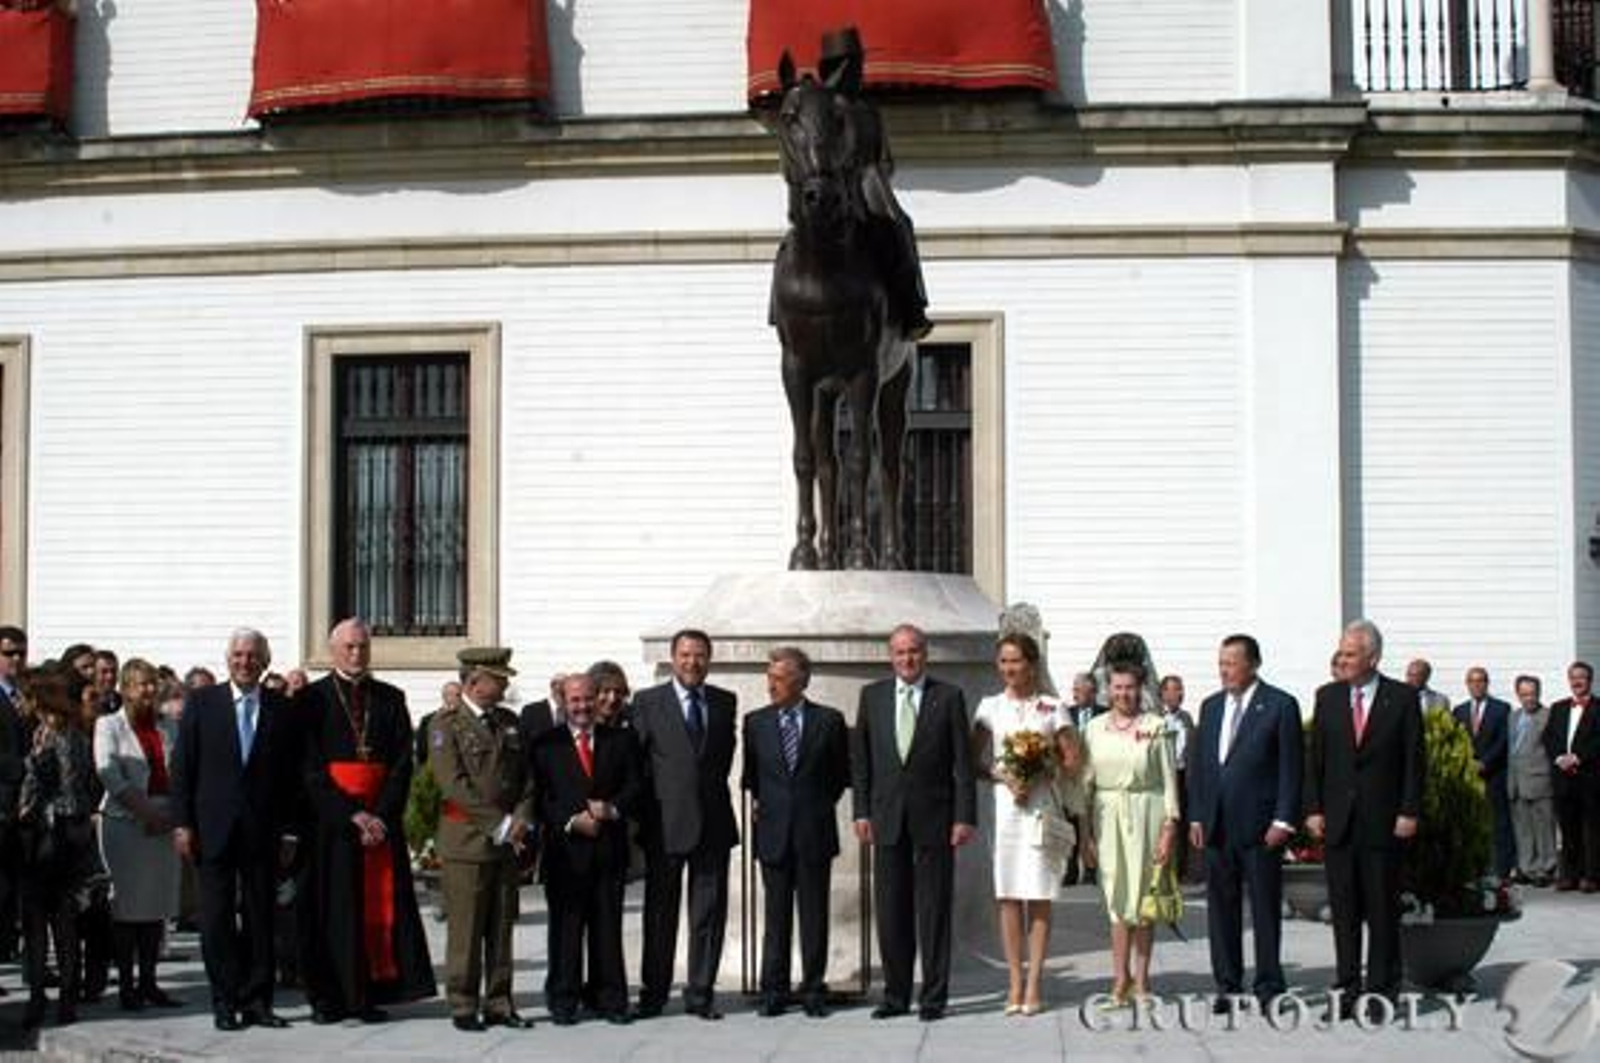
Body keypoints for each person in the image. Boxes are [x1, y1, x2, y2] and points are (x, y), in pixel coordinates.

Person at [299, 618, 435, 1023]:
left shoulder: (391, 698)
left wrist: (379, 814)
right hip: (332, 826)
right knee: (332, 911)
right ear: (333, 650)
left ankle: (367, 996)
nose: (357, 654)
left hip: (379, 821)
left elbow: (400, 765)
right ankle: (330, 999)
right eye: (349, 647)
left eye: (362, 647)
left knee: (375, 911)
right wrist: (350, 814)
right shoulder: (312, 700)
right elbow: (309, 769)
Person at [170, 628, 295, 1031]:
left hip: (263, 831)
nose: (245, 662)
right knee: (217, 919)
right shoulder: (203, 704)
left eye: (253, 655)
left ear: (265, 661)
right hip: (213, 829)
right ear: (229, 660)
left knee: (261, 918)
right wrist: (182, 823)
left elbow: (290, 776)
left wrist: (291, 832)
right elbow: (183, 768)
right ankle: (224, 1001)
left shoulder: (281, 708)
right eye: (238, 655)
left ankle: (258, 1001)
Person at [852, 623, 977, 1022]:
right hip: (886, 819)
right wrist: (861, 811)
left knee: (934, 911)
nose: (908, 659)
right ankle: (895, 994)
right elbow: (862, 763)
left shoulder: (949, 697)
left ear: (925, 654)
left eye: (915, 651)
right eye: (900, 652)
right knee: (891, 911)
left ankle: (934, 997)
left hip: (936, 820)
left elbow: (963, 765)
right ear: (891, 656)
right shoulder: (871, 697)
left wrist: (964, 817)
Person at [1305, 618, 1424, 1020]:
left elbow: (1414, 761)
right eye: (1341, 652)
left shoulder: (1403, 698)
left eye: (1351, 653)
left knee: (1381, 911)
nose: (1343, 658)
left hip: (1384, 821)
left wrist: (1409, 810)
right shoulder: (1329, 697)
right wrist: (1314, 809)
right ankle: (1346, 989)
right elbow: (1316, 760)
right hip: (1339, 822)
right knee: (1344, 913)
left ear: (1373, 658)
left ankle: (1381, 993)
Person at [1187, 634, 1302, 1012]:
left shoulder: (1280, 706)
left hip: (1261, 828)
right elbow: (1202, 766)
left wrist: (1284, 819)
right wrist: (1198, 815)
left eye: (1231, 663)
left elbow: (1291, 769)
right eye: (1220, 663)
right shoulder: (1211, 706)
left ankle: (1268, 983)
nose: (1224, 670)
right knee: (1221, 909)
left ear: (1253, 664)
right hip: (1217, 826)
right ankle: (1228, 984)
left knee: (1265, 909)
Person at [632, 629, 738, 1021]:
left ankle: (700, 993)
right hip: (665, 823)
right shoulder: (647, 703)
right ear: (673, 658)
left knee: (708, 913)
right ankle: (655, 992)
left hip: (712, 823)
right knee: (660, 913)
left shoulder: (725, 702)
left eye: (700, 656)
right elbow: (640, 765)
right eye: (685, 655)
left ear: (709, 659)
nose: (692, 662)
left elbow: (722, 760)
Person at [971, 633, 1077, 1016]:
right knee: (1009, 894)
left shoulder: (1052, 708)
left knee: (1039, 894)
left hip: (1040, 809)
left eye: (1016, 661)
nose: (1010, 669)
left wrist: (1043, 769)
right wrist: (1004, 776)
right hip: (1006, 810)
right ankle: (1014, 979)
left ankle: (1035, 982)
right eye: (1003, 661)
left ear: (1032, 664)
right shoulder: (989, 707)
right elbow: (973, 762)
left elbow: (1072, 760)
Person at [429, 647, 534, 1032]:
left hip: (506, 841)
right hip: (466, 840)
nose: (505, 684)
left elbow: (525, 778)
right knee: (467, 928)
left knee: (502, 925)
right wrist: (500, 824)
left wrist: (521, 819)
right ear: (474, 681)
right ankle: (462, 1002)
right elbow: (453, 785)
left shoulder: (509, 722)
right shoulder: (446, 725)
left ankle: (500, 1002)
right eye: (498, 678)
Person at [529, 673, 643, 1026]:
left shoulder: (621, 740)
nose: (582, 706)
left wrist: (612, 809)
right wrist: (570, 819)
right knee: (566, 929)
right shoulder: (545, 743)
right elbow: (539, 796)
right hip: (566, 852)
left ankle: (610, 999)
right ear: (563, 701)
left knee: (607, 927)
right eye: (575, 700)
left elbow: (636, 785)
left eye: (588, 699)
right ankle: (564, 999)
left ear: (598, 700)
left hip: (608, 848)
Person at [742, 647, 849, 1019]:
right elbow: (752, 778)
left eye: (780, 678)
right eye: (769, 677)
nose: (771, 685)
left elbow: (839, 777)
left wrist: (811, 806)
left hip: (814, 832)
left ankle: (813, 987)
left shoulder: (829, 721)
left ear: (802, 681)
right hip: (772, 833)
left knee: (813, 915)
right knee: (775, 917)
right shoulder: (755, 722)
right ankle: (774, 988)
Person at [808, 28, 931, 340]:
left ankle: (911, 305)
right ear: (843, 67)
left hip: (869, 179)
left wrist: (876, 172)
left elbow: (885, 156)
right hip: (831, 183)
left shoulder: (867, 111)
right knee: (796, 238)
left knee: (900, 224)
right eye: (858, 65)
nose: (862, 72)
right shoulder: (820, 109)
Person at [1082, 661, 1181, 1006]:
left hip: (1147, 813)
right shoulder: (1093, 728)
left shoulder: (1156, 727)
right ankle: (1119, 978)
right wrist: (1085, 836)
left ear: (1140, 689)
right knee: (1116, 899)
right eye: (1117, 687)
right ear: (1108, 689)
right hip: (1107, 815)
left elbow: (1170, 782)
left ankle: (1142, 980)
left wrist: (1169, 829)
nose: (1123, 693)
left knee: (1143, 901)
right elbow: (1086, 785)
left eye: (1129, 687)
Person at [93, 658, 182, 1011]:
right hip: (126, 824)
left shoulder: (168, 726)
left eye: (152, 684)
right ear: (126, 688)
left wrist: (170, 815)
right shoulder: (109, 725)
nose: (149, 690)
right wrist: (146, 812)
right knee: (127, 909)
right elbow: (110, 775)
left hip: (163, 821)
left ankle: (150, 981)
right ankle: (127, 986)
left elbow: (181, 772)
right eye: (141, 684)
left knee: (155, 908)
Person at [16, 668, 99, 1028]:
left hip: (48, 834)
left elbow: (37, 787)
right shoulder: (78, 735)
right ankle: (68, 997)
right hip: (75, 831)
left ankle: (38, 999)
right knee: (66, 922)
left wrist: (23, 809)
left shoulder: (46, 735)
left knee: (37, 923)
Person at [1545, 661, 1599, 891]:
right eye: (1573, 677)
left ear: (1590, 680)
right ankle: (1569, 875)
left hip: (1590, 779)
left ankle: (1592, 877)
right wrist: (1559, 757)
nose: (1577, 681)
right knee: (1568, 830)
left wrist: (1578, 757)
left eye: (1582, 677)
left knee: (1592, 831)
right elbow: (1549, 737)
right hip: (1563, 780)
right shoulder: (1558, 707)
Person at [1454, 667, 1513, 878]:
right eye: (1472, 681)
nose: (1476, 685)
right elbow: (1457, 741)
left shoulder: (1502, 708)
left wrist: (1485, 763)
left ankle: (1502, 868)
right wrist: (1467, 763)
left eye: (1480, 681)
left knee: (1499, 823)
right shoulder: (1459, 711)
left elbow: (1503, 741)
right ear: (1467, 684)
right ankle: (1473, 867)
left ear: (1487, 683)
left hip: (1494, 774)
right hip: (1469, 777)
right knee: (1472, 823)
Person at [1507, 675, 1557, 886]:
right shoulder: (1513, 716)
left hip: (1540, 781)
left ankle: (1546, 868)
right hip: (1516, 782)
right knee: (1523, 829)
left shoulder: (1549, 716)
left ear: (1539, 693)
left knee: (1544, 828)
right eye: (1524, 694)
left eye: (1532, 694)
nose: (1529, 698)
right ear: (1518, 694)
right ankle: (1526, 868)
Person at [0, 625, 29, 981]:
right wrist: (24, 766)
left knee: (17, 895)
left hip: (25, 808)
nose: (17, 659)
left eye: (20, 651)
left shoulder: (25, 696)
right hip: (3, 801)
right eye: (9, 653)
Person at [1158, 675, 1196, 881]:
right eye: (1172, 690)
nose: (1177, 694)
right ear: (1163, 693)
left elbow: (1191, 750)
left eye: (1179, 689)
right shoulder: (1154, 718)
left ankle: (1180, 870)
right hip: (1161, 777)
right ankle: (1160, 865)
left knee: (1181, 823)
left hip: (1181, 775)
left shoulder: (1187, 719)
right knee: (1162, 822)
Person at [415, 681, 463, 766]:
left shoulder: (467, 720)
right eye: (454, 695)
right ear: (445, 697)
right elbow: (421, 751)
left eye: (459, 695)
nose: (457, 698)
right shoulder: (428, 720)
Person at [518, 673, 568, 747]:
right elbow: (521, 741)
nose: (563, 689)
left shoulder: (574, 713)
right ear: (552, 686)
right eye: (560, 684)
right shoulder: (531, 711)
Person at [92, 650, 122, 716]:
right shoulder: (85, 704)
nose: (110, 677)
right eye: (104, 672)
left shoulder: (124, 703)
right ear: (94, 674)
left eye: (113, 671)